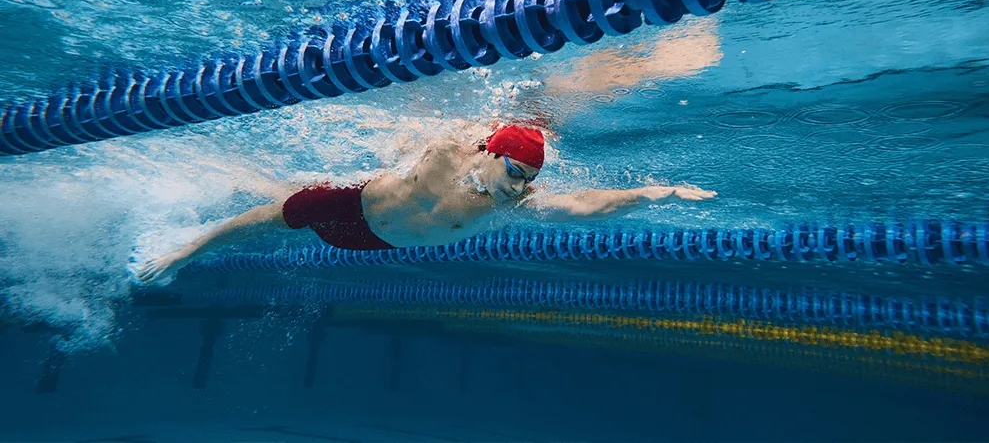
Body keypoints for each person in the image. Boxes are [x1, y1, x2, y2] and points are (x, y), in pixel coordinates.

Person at [131, 125, 716, 284]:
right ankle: (190, 245)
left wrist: (654, 192)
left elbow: (586, 207)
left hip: (371, 244)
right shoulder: (445, 150)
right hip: (350, 206)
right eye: (515, 173)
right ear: (490, 153)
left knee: (277, 206)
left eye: (528, 180)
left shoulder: (508, 204)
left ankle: (245, 183)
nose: (519, 189)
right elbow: (402, 135)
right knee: (272, 213)